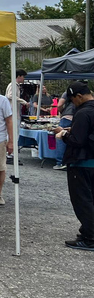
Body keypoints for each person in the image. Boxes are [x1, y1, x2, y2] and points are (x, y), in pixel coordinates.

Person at [53, 81, 94, 250]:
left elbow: (78, 141)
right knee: (91, 198)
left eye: (73, 100)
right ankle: (88, 231)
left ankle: (90, 237)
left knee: (82, 200)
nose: (73, 103)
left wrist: (62, 134)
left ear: (79, 97)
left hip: (82, 162)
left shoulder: (83, 112)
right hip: (91, 162)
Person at [55, 90, 76, 170]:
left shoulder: (67, 92)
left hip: (67, 116)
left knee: (61, 138)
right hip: (77, 116)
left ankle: (60, 162)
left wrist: (62, 112)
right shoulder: (85, 93)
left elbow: (59, 105)